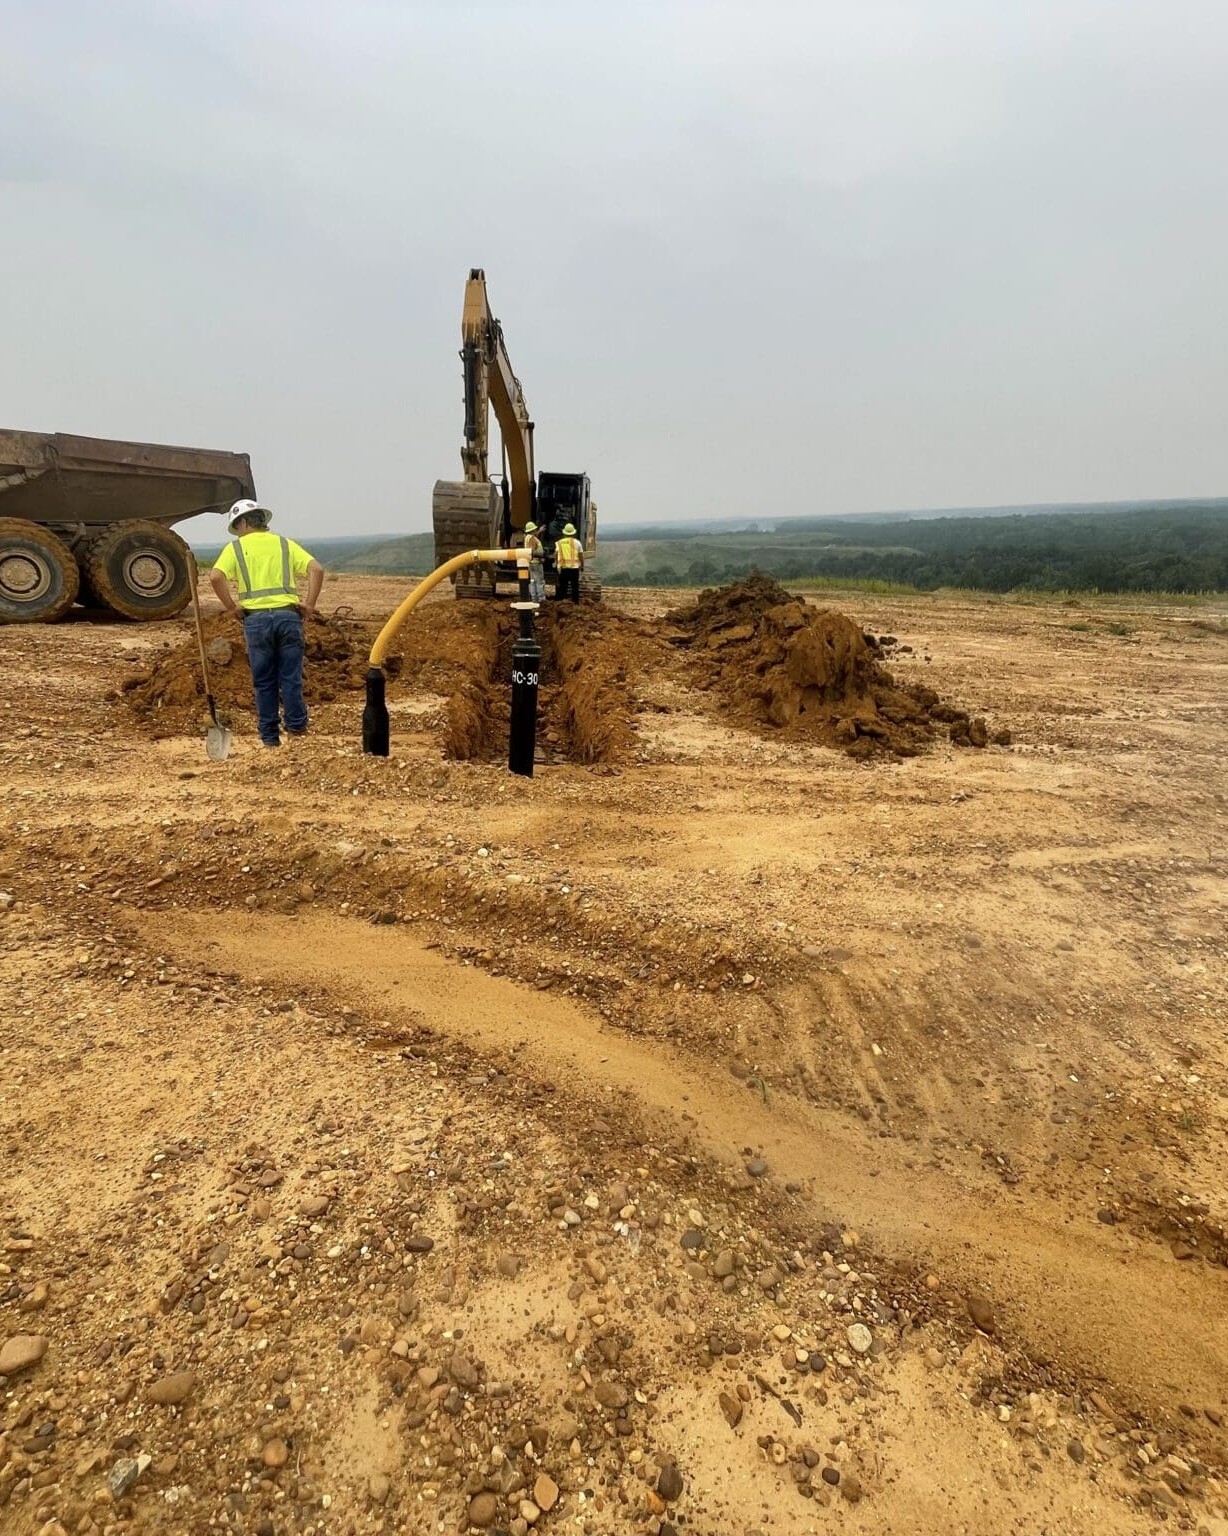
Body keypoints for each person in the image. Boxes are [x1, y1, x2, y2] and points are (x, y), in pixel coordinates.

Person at [209, 500, 324, 748]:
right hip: (288, 617)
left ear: (244, 522)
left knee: (264, 681)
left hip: (257, 621)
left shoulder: (235, 549)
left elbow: (215, 576)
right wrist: (310, 604)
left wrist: (231, 607)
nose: (237, 531)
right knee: (291, 677)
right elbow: (317, 569)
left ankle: (270, 738)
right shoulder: (284, 544)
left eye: (236, 526)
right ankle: (297, 730)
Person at [554, 521, 583, 603]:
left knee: (563, 586)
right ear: (573, 533)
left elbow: (556, 554)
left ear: (565, 533)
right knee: (575, 587)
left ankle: (560, 602)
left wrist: (557, 564)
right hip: (574, 568)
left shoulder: (559, 543)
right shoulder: (577, 543)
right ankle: (575, 603)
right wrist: (582, 565)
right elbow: (581, 555)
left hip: (564, 568)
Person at [521, 520, 546, 602]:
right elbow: (532, 551)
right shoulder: (532, 538)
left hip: (531, 563)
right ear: (532, 530)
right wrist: (541, 555)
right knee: (539, 582)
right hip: (536, 563)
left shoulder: (528, 537)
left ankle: (534, 599)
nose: (536, 530)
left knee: (533, 582)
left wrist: (539, 531)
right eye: (535, 529)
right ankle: (541, 599)